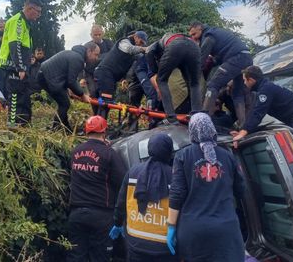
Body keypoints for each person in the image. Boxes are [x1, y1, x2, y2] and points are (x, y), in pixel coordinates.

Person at [167, 112, 245, 261]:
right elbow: (241, 190)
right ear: (212, 129)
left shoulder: (182, 156)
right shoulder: (228, 156)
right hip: (226, 230)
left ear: (192, 131)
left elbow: (176, 193)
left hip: (194, 231)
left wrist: (171, 226)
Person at [111, 133, 178, 262]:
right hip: (164, 246)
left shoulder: (133, 172)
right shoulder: (175, 175)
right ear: (169, 150)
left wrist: (117, 223)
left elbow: (121, 202)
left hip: (136, 242)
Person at [68, 116, 126, 262]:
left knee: (76, 256)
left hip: (76, 214)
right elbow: (123, 182)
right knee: (100, 257)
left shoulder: (75, 152)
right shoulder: (109, 154)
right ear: (104, 131)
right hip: (101, 216)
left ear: (86, 131)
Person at [231, 65, 293, 159]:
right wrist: (242, 131)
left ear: (251, 80)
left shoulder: (266, 89)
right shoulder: (264, 89)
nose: (245, 84)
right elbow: (254, 112)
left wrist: (243, 132)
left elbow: (258, 113)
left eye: (245, 80)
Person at [189, 21, 253, 126]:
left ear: (200, 29)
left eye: (194, 34)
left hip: (237, 58)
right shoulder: (215, 32)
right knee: (237, 93)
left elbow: (201, 59)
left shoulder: (208, 35)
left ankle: (202, 122)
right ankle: (243, 125)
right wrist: (213, 62)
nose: (193, 37)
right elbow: (220, 56)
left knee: (213, 85)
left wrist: (193, 75)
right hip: (244, 57)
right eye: (191, 35)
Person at [0, 0, 42, 127]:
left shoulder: (25, 23)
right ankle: (12, 126)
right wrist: (20, 68)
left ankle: (24, 123)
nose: (39, 15)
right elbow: (15, 45)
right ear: (29, 9)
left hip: (20, 66)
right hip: (13, 66)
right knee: (15, 96)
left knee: (25, 95)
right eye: (38, 12)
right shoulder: (17, 21)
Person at [38, 43, 100, 133]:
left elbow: (68, 78)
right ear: (89, 51)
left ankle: (66, 129)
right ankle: (56, 130)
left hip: (45, 75)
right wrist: (82, 95)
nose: (96, 58)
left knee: (63, 103)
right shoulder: (78, 59)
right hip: (48, 77)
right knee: (65, 104)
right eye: (96, 54)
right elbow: (71, 81)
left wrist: (70, 90)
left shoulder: (74, 55)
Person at [146, 32, 202, 124]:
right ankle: (197, 115)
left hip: (176, 46)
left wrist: (155, 71)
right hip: (194, 47)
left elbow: (148, 51)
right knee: (194, 83)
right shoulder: (176, 38)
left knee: (161, 80)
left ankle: (171, 117)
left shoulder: (158, 43)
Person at [94, 31, 147, 117]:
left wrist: (124, 79)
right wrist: (145, 49)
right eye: (140, 42)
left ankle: (99, 121)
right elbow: (130, 49)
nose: (140, 45)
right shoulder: (124, 42)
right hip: (105, 73)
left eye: (142, 44)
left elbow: (126, 65)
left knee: (104, 100)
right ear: (135, 37)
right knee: (106, 100)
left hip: (110, 76)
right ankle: (99, 124)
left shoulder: (133, 53)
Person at [82, 25, 115, 113]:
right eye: (95, 35)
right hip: (90, 74)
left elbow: (114, 57)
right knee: (93, 93)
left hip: (105, 74)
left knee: (105, 95)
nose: (97, 37)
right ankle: (95, 114)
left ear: (103, 33)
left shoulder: (109, 44)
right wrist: (81, 77)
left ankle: (102, 116)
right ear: (91, 35)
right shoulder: (87, 46)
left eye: (99, 34)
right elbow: (81, 62)